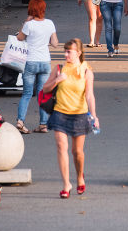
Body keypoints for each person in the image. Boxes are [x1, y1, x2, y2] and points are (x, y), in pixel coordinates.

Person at [43, 39, 98, 199]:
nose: (66, 54)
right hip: (60, 113)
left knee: (77, 152)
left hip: (79, 114)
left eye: (69, 51)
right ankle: (66, 184)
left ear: (78, 53)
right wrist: (56, 81)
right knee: (61, 146)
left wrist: (94, 115)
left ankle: (80, 176)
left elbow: (89, 95)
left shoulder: (87, 72)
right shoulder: (59, 68)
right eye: (65, 51)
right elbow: (45, 89)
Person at [15, 0, 59, 134]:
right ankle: (43, 124)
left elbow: (19, 38)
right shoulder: (50, 24)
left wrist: (25, 22)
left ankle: (20, 121)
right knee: (43, 94)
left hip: (30, 61)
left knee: (27, 94)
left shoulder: (29, 25)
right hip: (45, 61)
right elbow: (55, 43)